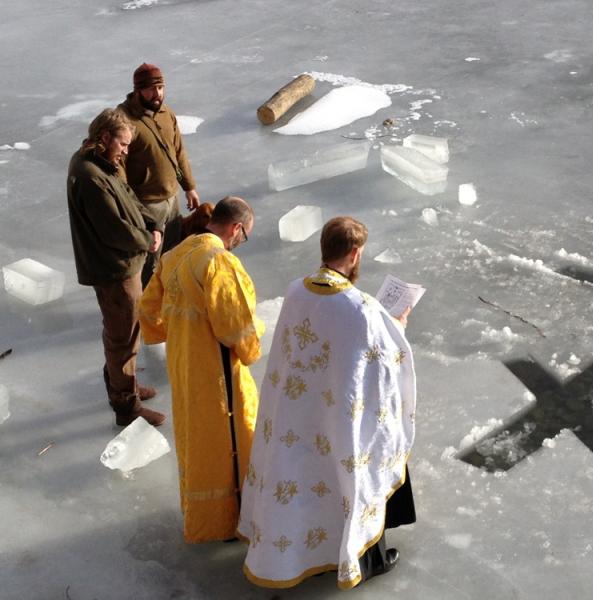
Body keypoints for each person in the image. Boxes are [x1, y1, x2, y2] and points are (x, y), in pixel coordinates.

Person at [238, 216, 416, 590]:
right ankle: (366, 559)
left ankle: (304, 555)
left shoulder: (295, 291)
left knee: (302, 476)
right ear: (353, 254)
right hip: (337, 414)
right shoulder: (360, 307)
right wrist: (398, 324)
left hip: (295, 411)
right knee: (357, 469)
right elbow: (382, 361)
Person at [139, 196, 263, 543]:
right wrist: (253, 347)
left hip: (184, 366)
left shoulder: (174, 255)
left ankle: (203, 518)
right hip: (217, 373)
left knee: (196, 443)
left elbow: (149, 312)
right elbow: (238, 329)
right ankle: (229, 521)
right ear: (235, 228)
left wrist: (178, 333)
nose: (241, 242)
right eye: (245, 235)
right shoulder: (218, 262)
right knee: (228, 443)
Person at [66, 108, 166, 427]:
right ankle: (126, 406)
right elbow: (113, 229)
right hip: (115, 269)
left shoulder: (105, 164)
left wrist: (152, 223)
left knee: (127, 331)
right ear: (105, 137)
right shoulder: (89, 176)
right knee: (122, 335)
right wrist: (145, 240)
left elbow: (129, 199)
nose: (125, 151)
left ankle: (126, 386)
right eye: (122, 144)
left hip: (125, 262)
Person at [118, 62, 200, 287]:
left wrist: (189, 186)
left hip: (171, 200)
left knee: (172, 253)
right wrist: (133, 209)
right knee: (149, 265)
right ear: (137, 90)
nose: (158, 94)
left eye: (161, 88)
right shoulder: (125, 120)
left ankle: (171, 299)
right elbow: (118, 171)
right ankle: (149, 309)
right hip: (146, 206)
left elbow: (179, 150)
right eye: (151, 89)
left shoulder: (166, 113)